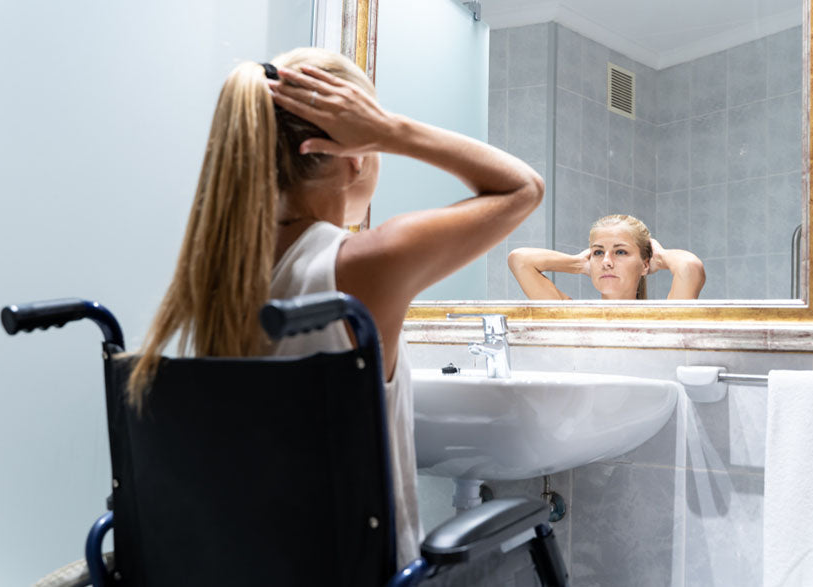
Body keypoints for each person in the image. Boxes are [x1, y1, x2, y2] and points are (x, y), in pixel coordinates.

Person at [126, 48, 544, 569]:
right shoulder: (363, 265)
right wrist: (392, 129)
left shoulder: (216, 279)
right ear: (356, 154)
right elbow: (524, 187)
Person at [508, 214, 704, 300]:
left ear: (645, 265)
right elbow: (520, 260)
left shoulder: (662, 320)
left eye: (620, 252)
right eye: (598, 252)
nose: (606, 262)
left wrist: (659, 257)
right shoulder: (572, 316)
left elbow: (690, 267)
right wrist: (578, 264)